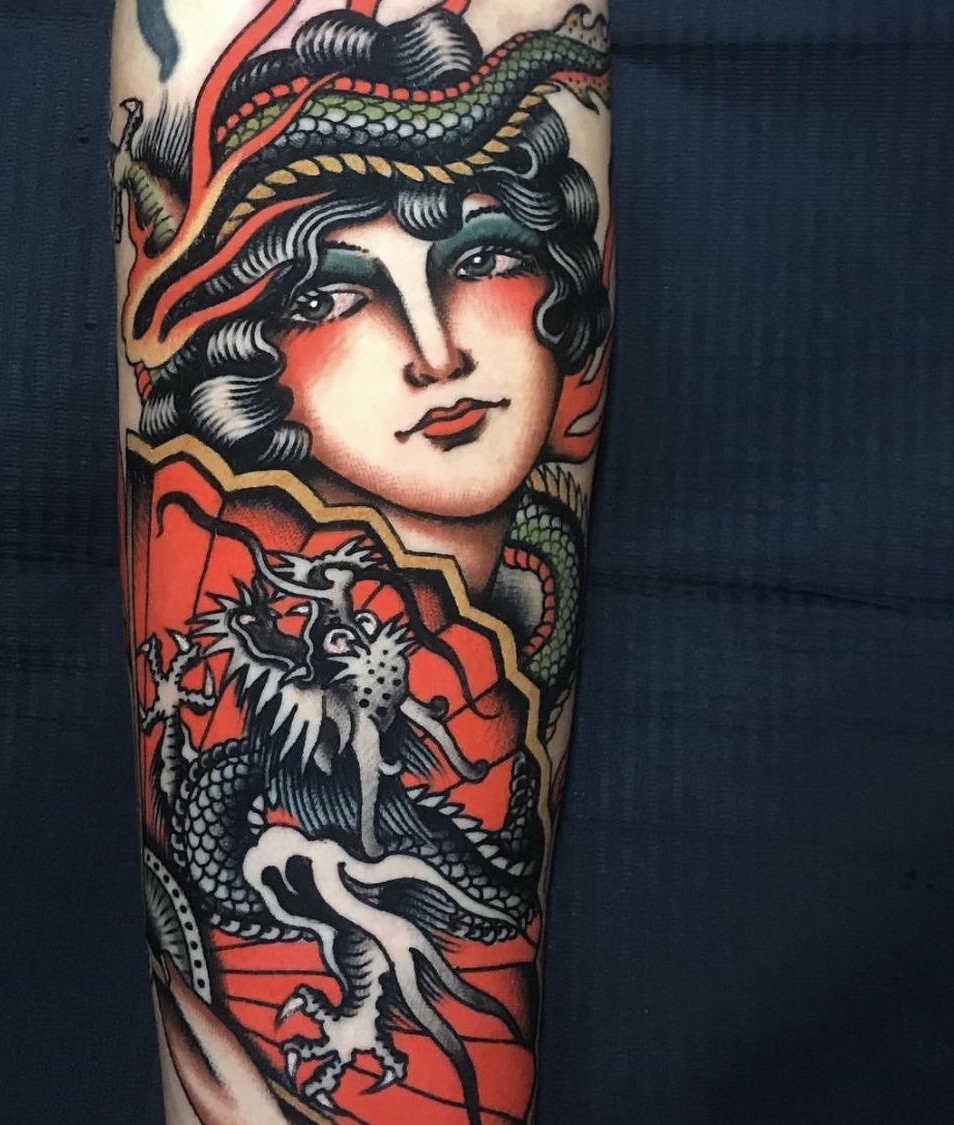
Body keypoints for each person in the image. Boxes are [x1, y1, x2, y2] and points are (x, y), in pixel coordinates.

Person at [111, 2, 612, 1123]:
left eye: (485, 257)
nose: (438, 352)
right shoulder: (237, 570)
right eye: (333, 295)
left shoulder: (479, 652)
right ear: (252, 355)